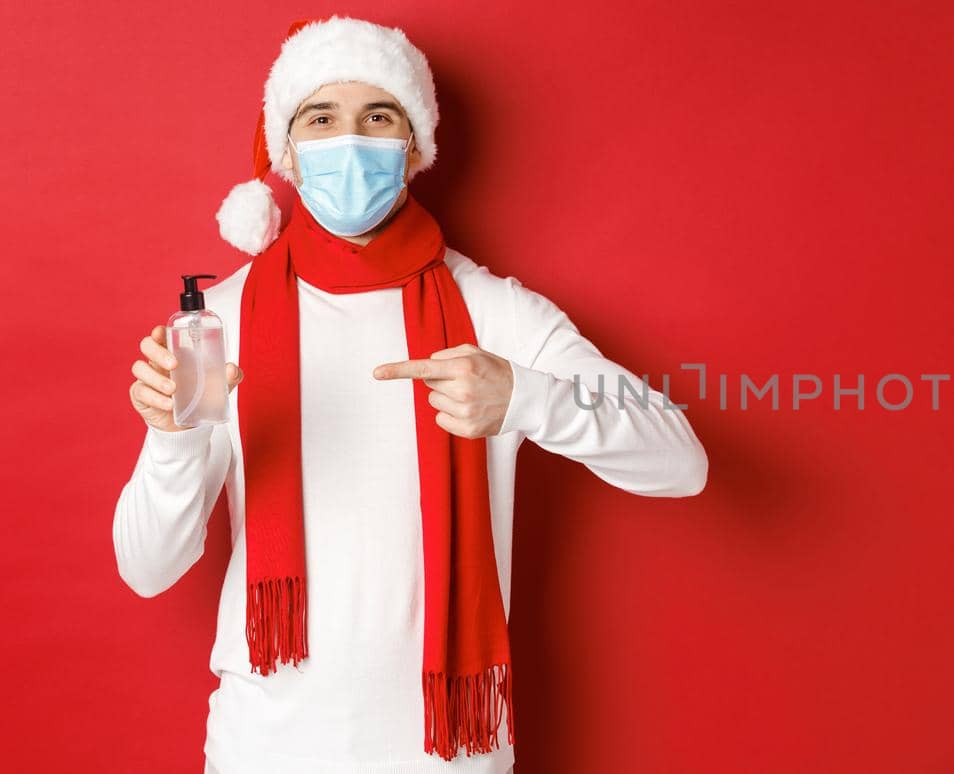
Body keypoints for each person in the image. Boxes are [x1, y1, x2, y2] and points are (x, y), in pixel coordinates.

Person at [112, 16, 708, 774]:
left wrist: (528, 400)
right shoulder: (218, 322)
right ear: (287, 151)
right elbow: (146, 567)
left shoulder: (493, 312)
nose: (349, 141)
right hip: (266, 744)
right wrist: (173, 436)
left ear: (415, 148)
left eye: (378, 117)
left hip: (447, 751)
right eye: (321, 118)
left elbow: (682, 463)